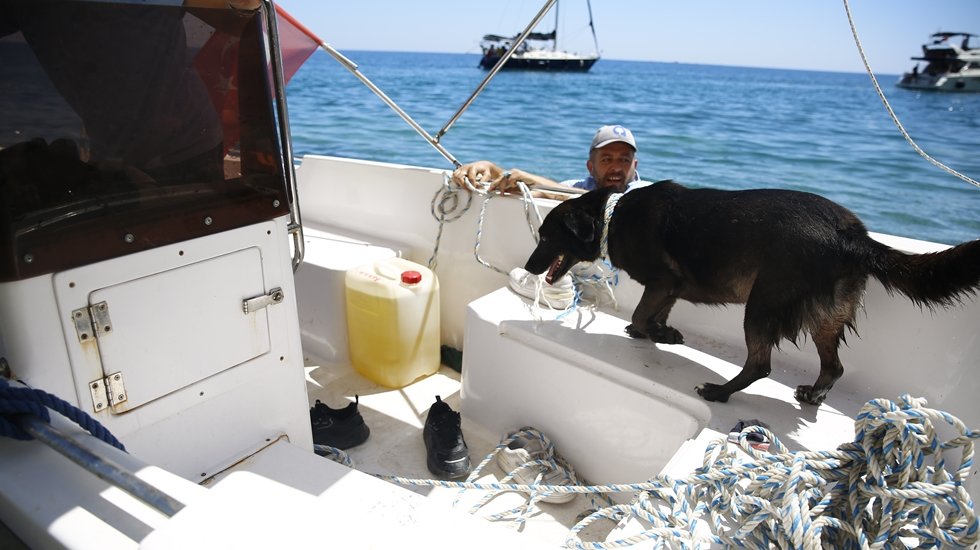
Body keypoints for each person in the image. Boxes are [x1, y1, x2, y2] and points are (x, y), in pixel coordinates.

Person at [451, 124, 655, 200]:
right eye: (607, 159)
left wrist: (547, 188)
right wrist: (493, 172)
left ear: (635, 166)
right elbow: (532, 191)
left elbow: (611, 206)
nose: (617, 167)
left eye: (624, 160)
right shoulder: (574, 187)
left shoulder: (648, 193)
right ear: (590, 167)